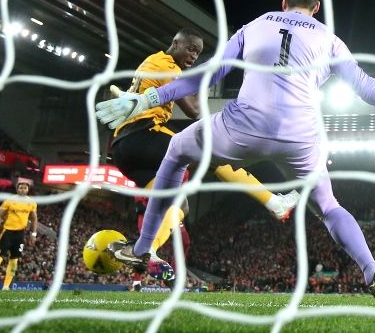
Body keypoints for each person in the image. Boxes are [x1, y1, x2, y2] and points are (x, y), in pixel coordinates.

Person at [95, 0, 375, 297]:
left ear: (284, 0)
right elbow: (365, 86)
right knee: (328, 206)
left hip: (242, 126)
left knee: (177, 148)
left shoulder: (255, 25)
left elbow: (206, 76)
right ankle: (372, 270)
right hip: (301, 135)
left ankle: (145, 248)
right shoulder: (329, 40)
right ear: (316, 7)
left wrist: (149, 97)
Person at [107, 27, 300, 288]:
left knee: (180, 206)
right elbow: (194, 111)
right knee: (211, 153)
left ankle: (146, 251)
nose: (193, 56)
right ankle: (273, 202)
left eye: (197, 53)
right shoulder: (167, 66)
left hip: (125, 151)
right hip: (143, 137)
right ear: (175, 43)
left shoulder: (153, 62)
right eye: (190, 49)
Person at [0, 180, 37, 291]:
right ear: (17, 189)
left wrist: (33, 234)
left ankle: (6, 287)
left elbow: (34, 218)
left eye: (25, 188)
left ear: (28, 190)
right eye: (20, 187)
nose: (23, 190)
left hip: (20, 234)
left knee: (14, 261)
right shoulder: (9, 201)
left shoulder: (32, 203)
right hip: (7, 233)